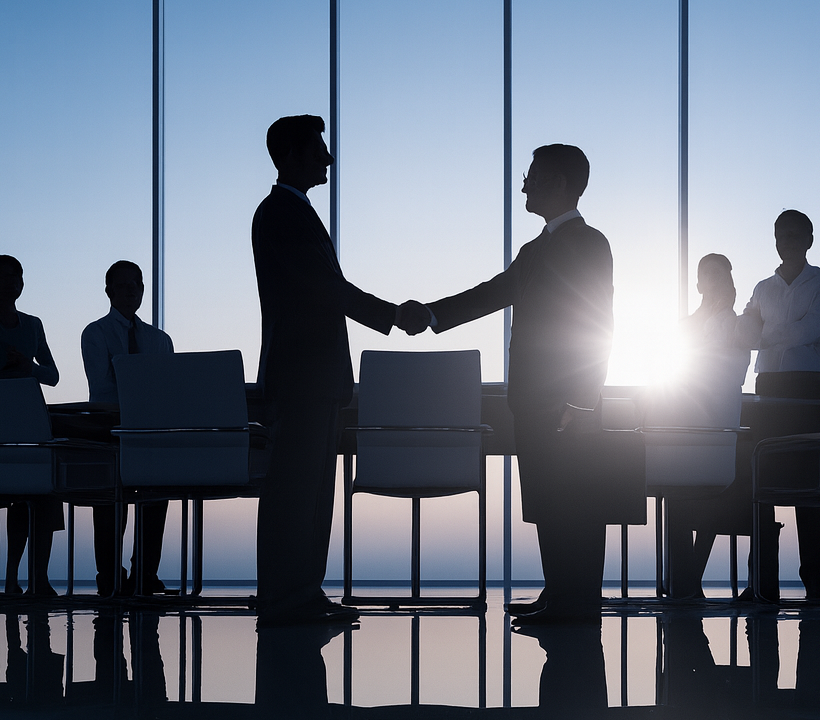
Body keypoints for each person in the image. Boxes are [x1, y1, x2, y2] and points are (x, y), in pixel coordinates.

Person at [423, 144, 616, 624]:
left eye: (532, 175)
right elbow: (496, 292)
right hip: (530, 398)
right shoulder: (534, 250)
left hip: (567, 399)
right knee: (547, 500)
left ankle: (578, 602)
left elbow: (600, 323)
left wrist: (585, 397)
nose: (524, 184)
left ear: (560, 184)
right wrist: (432, 314)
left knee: (573, 500)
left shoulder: (591, 243)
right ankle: (559, 593)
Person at [251, 114, 427, 626]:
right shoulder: (281, 213)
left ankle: (302, 592)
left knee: (309, 492)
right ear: (290, 156)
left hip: (314, 376)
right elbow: (325, 289)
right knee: (296, 491)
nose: (327, 159)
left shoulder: (290, 212)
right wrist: (390, 315)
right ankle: (287, 597)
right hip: (304, 375)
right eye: (317, 150)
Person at [736, 210, 820, 602]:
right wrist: (769, 336)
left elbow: (811, 330)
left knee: (808, 493)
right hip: (766, 389)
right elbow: (747, 336)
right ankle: (763, 583)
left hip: (804, 390)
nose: (788, 241)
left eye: (795, 234)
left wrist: (763, 333)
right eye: (781, 234)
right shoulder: (763, 287)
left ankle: (816, 587)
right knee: (760, 485)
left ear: (810, 239)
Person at [0, 254, 62, 596]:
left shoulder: (33, 324)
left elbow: (52, 375)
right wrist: (6, 363)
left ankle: (31, 577)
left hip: (30, 420)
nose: (11, 283)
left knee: (37, 493)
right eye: (3, 277)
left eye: (16, 276)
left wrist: (26, 367)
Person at [80, 260, 174, 596]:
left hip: (149, 429)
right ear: (109, 292)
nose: (130, 289)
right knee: (109, 502)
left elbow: (169, 388)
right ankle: (109, 573)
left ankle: (145, 573)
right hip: (109, 427)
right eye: (123, 285)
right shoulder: (96, 333)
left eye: (136, 283)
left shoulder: (159, 339)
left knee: (155, 498)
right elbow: (102, 386)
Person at [662, 253, 751, 600]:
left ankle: (687, 579)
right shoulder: (685, 326)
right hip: (684, 417)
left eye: (721, 276)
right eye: (708, 277)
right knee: (680, 493)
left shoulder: (735, 324)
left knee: (711, 492)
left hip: (719, 418)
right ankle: (685, 579)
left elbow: (733, 372)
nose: (714, 283)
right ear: (699, 284)